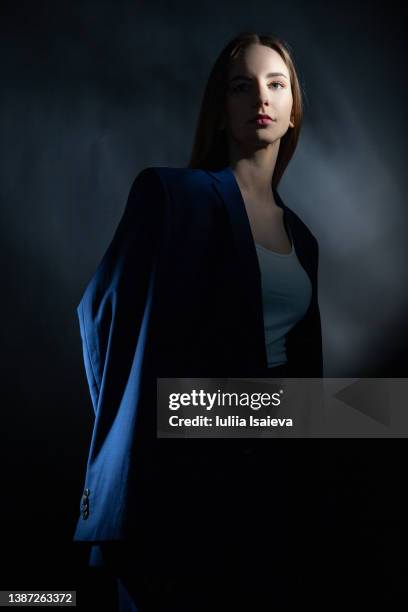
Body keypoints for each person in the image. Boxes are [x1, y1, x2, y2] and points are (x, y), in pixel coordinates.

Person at [74, 31, 323, 611]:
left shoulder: (304, 239)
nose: (261, 97)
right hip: (185, 476)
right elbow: (99, 318)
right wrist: (144, 429)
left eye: (276, 84)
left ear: (292, 108)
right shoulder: (171, 194)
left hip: (272, 481)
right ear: (222, 107)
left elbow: (302, 383)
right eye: (243, 86)